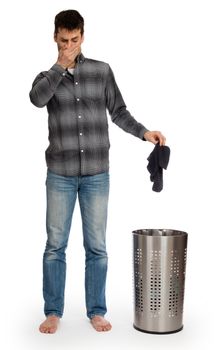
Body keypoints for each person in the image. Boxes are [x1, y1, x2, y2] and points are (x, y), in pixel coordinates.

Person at [29, 9, 166, 334]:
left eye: (74, 40)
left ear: (83, 37)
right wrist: (59, 67)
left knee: (97, 246)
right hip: (60, 173)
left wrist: (144, 133)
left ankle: (96, 311)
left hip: (96, 174)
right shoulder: (46, 77)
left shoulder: (101, 71)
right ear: (55, 38)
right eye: (64, 41)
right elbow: (36, 100)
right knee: (55, 245)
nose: (69, 46)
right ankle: (53, 312)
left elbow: (118, 111)